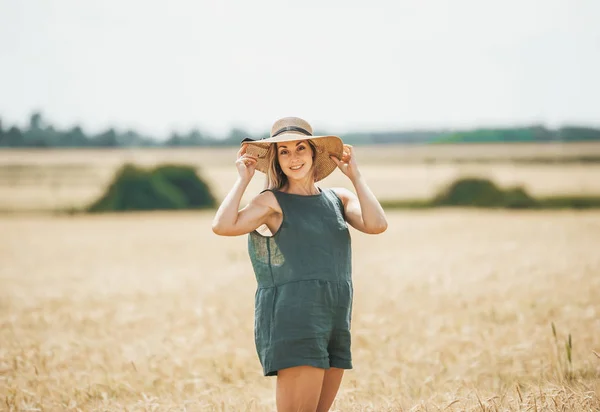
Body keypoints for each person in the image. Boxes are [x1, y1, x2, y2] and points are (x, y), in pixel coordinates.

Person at [212, 117, 388, 412]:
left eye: (300, 148)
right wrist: (243, 180)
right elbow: (223, 226)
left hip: (335, 315)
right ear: (277, 161)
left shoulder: (339, 199)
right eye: (284, 151)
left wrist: (356, 178)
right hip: (295, 318)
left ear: (313, 153)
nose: (293, 158)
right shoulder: (271, 201)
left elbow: (377, 224)